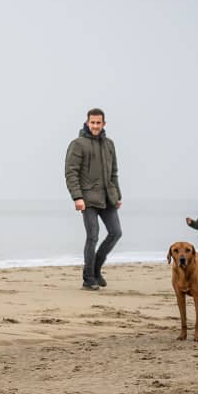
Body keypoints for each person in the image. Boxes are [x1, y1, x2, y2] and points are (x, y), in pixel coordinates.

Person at [64, 108, 122, 290]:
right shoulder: (78, 144)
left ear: (104, 124)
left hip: (108, 198)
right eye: (92, 122)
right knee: (93, 236)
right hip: (87, 199)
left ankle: (96, 269)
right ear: (87, 123)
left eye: (98, 122)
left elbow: (114, 172)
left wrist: (117, 195)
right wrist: (77, 197)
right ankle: (89, 279)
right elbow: (71, 173)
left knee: (116, 232)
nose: (95, 126)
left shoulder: (109, 144)